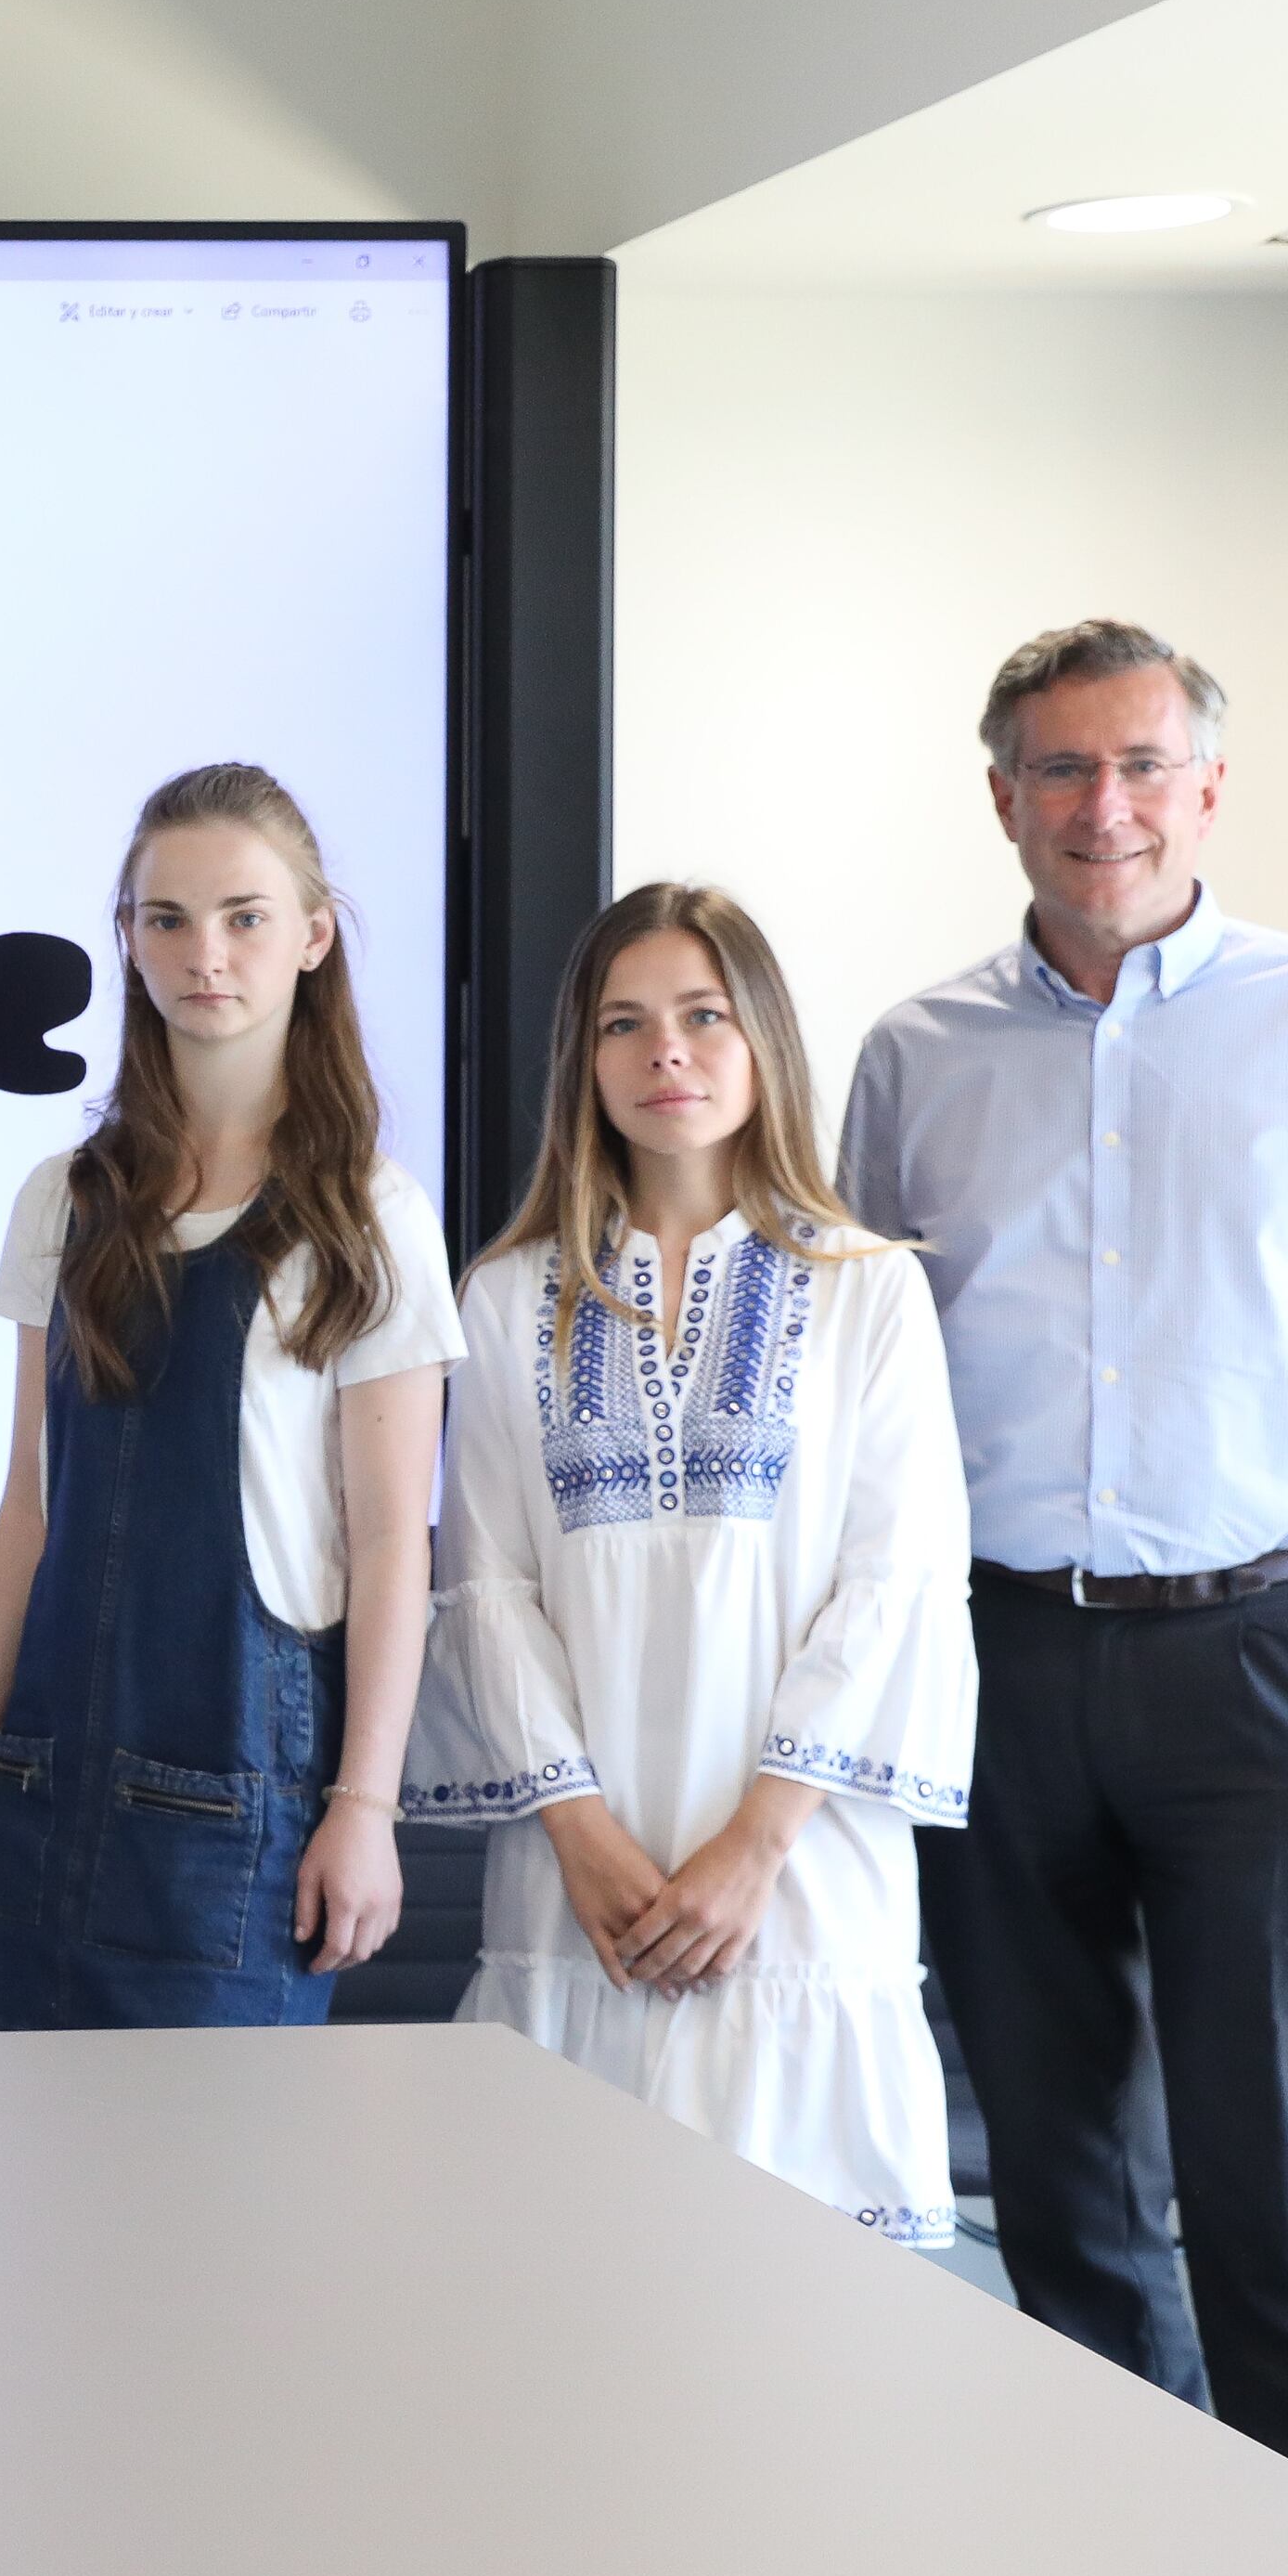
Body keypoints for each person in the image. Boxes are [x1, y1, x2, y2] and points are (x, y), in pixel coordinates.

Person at [841, 619, 1288, 2513]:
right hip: (994, 1668)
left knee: (1279, 2199)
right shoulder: (912, 1057)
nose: (1106, 806)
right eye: (1063, 769)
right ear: (1001, 798)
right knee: (1063, 2197)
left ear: (1208, 788)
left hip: (1265, 1664)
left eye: (1143, 765)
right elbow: (864, 1379)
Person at [411, 884, 970, 2242]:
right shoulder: (505, 1297)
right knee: (567, 2289)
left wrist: (755, 1845)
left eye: (704, 1015)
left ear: (763, 1038)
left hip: (802, 1881)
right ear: (585, 1061)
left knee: (805, 2314)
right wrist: (580, 1831)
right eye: (625, 1023)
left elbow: (894, 1584)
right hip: (579, 1897)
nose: (666, 1050)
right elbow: (487, 1589)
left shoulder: (869, 1286)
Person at [0, 761, 458, 2023]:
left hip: (242, 1814)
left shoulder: (369, 1216)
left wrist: (365, 1808)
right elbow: (29, 1512)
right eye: (167, 918)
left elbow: (393, 1543)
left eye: (243, 917)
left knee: (224, 2153)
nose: (204, 954)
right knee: (32, 2146)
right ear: (129, 937)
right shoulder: (64, 1198)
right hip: (50, 1790)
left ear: (313, 935)